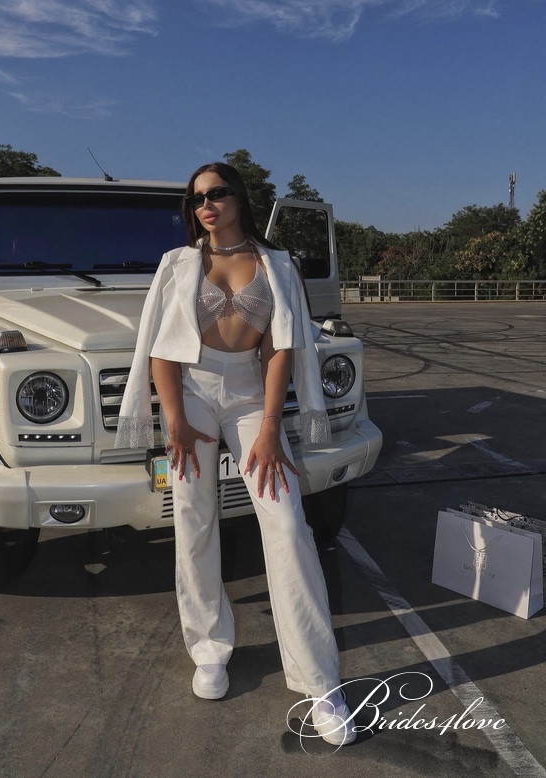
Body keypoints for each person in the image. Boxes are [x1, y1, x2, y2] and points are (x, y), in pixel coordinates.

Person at [114, 162, 356, 746]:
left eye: (217, 193)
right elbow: (161, 348)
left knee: (287, 522)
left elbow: (279, 349)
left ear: (240, 198)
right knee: (193, 517)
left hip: (250, 397)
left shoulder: (276, 264)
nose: (206, 204)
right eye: (196, 197)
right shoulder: (177, 263)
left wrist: (271, 426)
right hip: (191, 393)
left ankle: (320, 681)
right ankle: (209, 649)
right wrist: (174, 419)